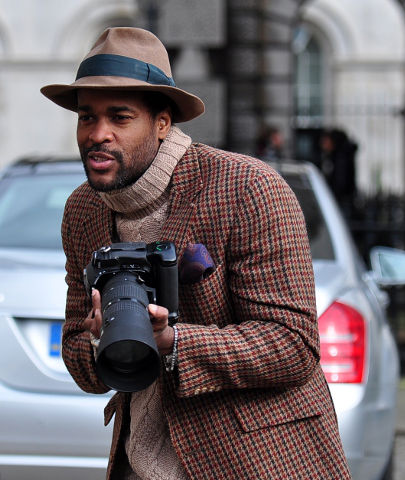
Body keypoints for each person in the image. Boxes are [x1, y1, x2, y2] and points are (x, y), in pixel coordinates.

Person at [41, 27, 351, 479]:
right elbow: (80, 359)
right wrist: (97, 338)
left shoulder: (248, 188)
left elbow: (293, 344)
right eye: (87, 117)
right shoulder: (83, 211)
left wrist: (173, 341)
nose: (98, 134)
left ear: (162, 123)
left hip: (255, 462)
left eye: (120, 117)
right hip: (140, 464)